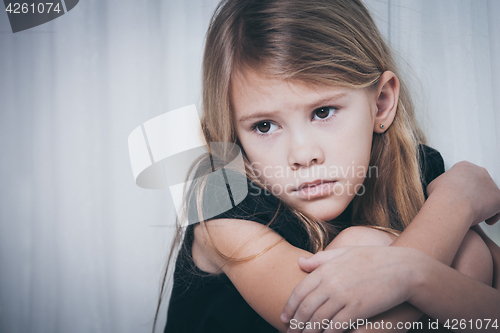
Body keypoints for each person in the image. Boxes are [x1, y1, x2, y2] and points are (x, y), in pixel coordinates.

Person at [157, 0, 500, 332]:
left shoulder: (412, 169)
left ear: (381, 104)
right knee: (370, 244)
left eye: (323, 112)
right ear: (235, 136)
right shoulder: (223, 198)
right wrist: (456, 203)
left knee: (471, 254)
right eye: (264, 126)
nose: (303, 154)